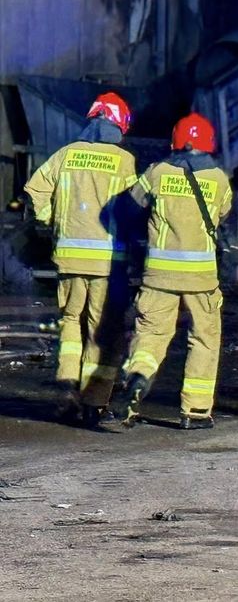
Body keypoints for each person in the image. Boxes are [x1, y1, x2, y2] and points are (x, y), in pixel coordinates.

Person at [23, 93, 137, 426]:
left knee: (71, 322)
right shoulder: (123, 161)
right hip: (107, 262)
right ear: (118, 125)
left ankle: (66, 383)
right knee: (103, 331)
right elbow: (133, 211)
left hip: (69, 258)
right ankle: (94, 402)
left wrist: (50, 220)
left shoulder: (65, 154)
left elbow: (35, 190)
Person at [116, 113, 232, 429]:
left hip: (159, 274)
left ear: (174, 142)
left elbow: (128, 208)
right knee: (204, 338)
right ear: (209, 143)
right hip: (201, 277)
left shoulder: (156, 173)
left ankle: (138, 377)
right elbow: (222, 216)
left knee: (151, 333)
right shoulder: (220, 179)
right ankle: (194, 411)